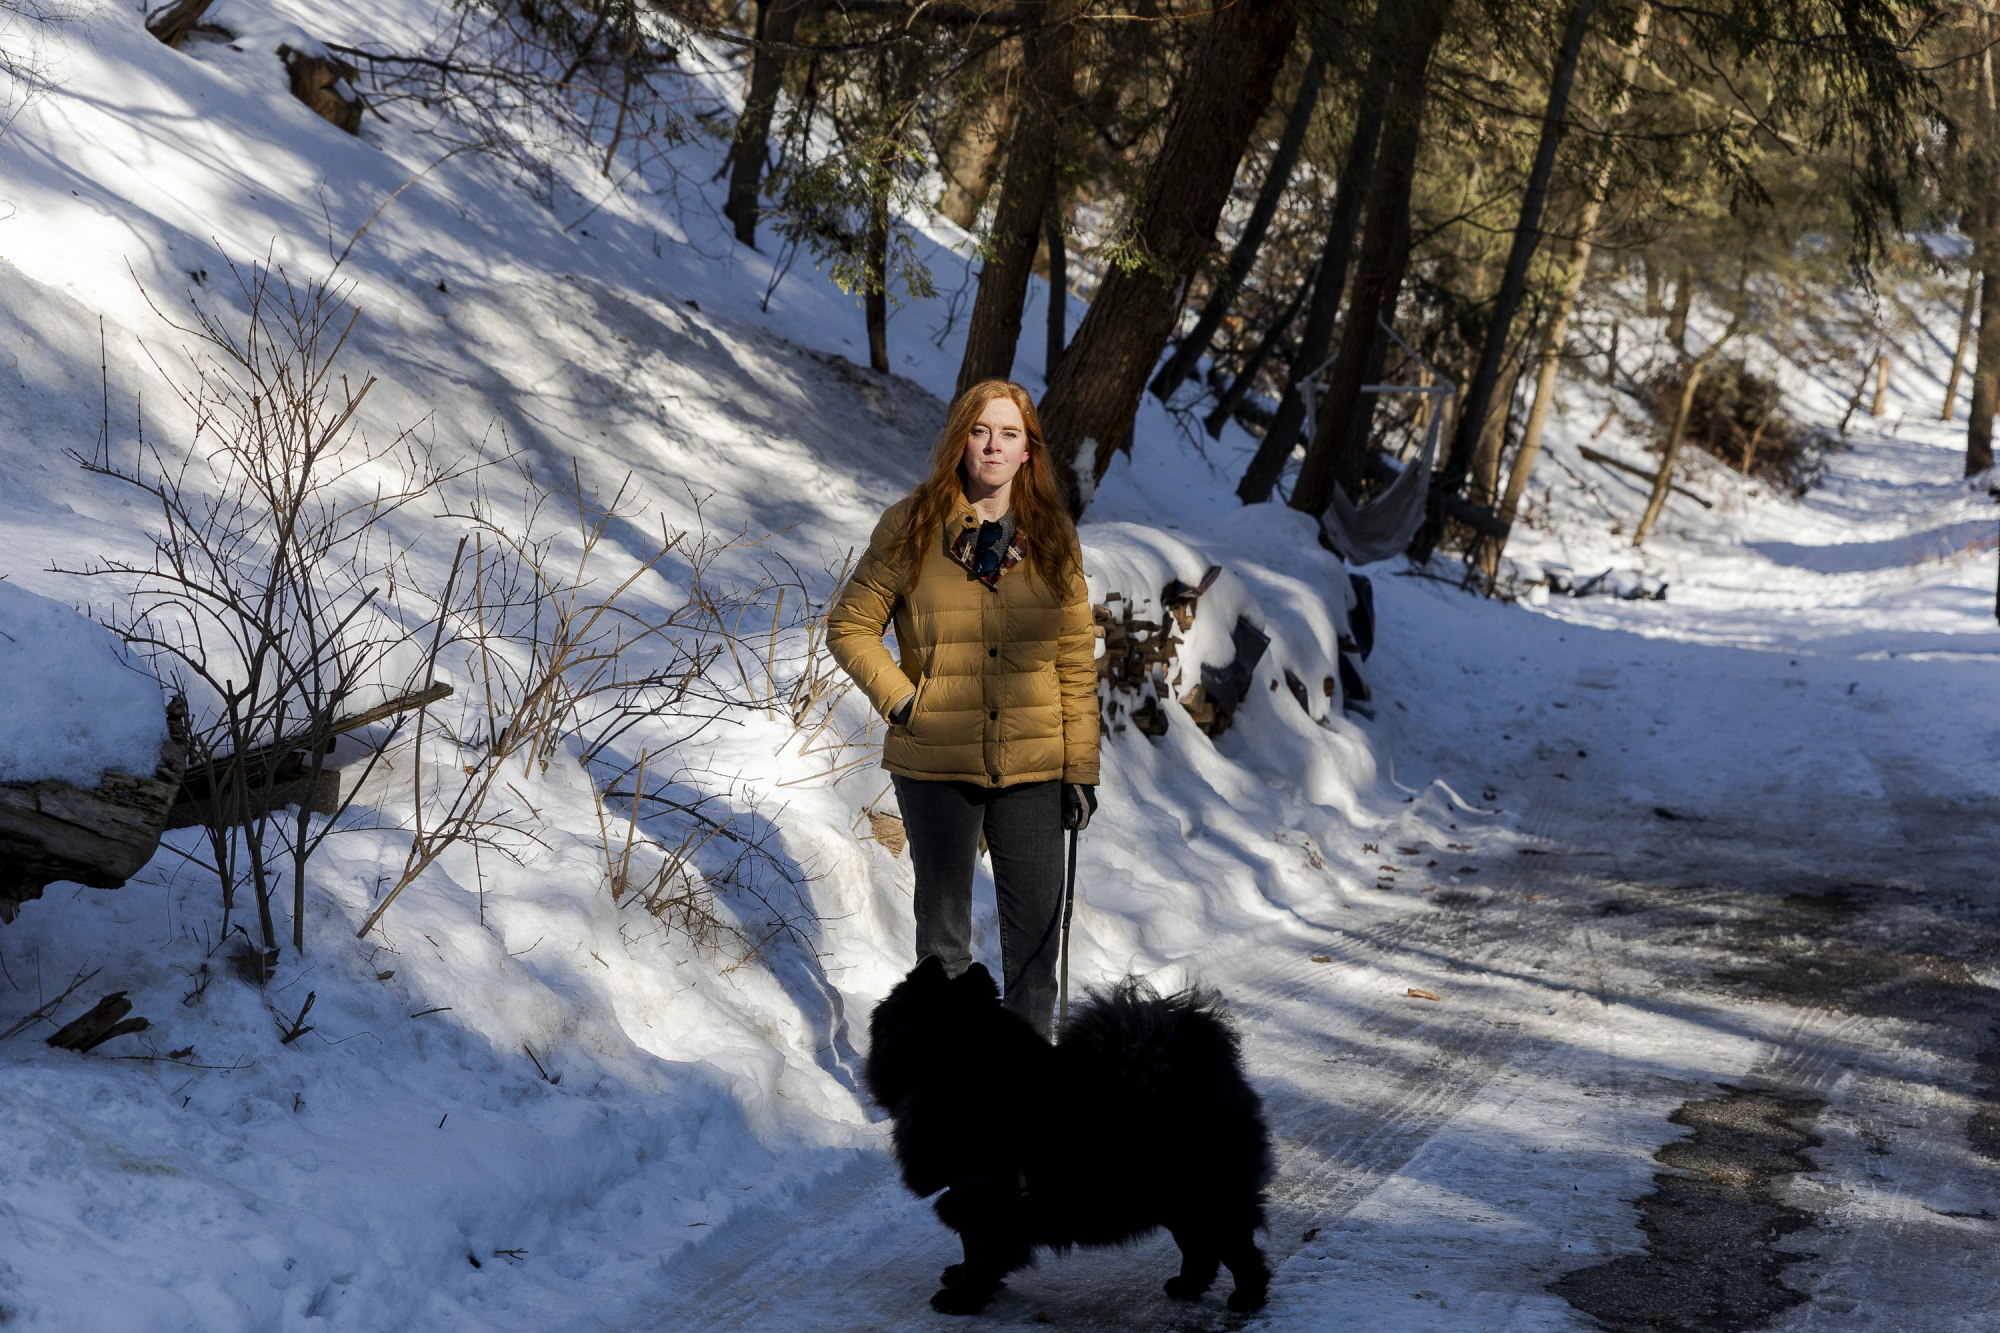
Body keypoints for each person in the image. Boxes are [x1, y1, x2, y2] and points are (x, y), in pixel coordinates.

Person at [828, 379, 1099, 1038]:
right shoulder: (913, 524)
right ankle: (952, 1105)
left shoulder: (1054, 538)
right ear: (961, 441)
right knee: (944, 952)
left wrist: (1081, 770)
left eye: (1009, 434)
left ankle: (1025, 1103)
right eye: (981, 431)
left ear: (1029, 450)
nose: (994, 446)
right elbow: (850, 626)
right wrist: (903, 701)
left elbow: (1073, 662)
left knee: (1033, 958)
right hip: (936, 764)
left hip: (1035, 765)